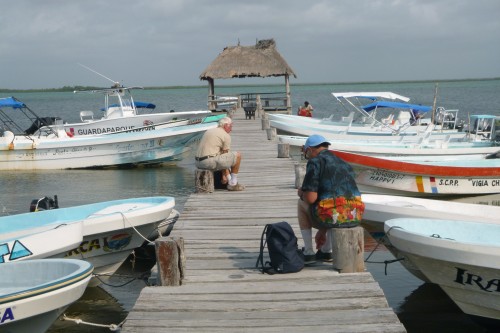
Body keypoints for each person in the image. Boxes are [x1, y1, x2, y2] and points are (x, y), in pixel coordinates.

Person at [297, 134, 365, 264]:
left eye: (306, 152)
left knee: (301, 203)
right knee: (333, 204)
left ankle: (309, 252)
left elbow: (311, 199)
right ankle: (326, 251)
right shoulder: (344, 163)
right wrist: (322, 231)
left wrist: (301, 192)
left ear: (310, 150)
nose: (307, 155)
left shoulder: (315, 162)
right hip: (354, 216)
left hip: (333, 215)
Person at [195, 116, 244, 191]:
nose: (231, 129)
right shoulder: (226, 136)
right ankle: (233, 183)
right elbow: (225, 156)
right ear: (225, 126)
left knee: (222, 156)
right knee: (237, 156)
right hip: (208, 162)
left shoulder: (210, 131)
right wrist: (225, 175)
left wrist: (225, 174)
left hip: (198, 162)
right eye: (230, 126)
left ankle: (229, 180)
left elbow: (221, 156)